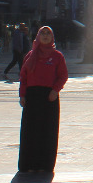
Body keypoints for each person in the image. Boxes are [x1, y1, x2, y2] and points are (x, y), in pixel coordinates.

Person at [18, 26, 68, 173]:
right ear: (38, 36)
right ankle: (28, 164)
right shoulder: (30, 55)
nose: (45, 36)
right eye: (43, 33)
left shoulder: (57, 56)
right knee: (30, 130)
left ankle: (44, 165)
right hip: (32, 96)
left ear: (52, 37)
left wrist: (55, 90)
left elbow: (63, 75)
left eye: (48, 34)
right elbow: (23, 77)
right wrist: (22, 95)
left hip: (49, 97)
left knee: (48, 130)